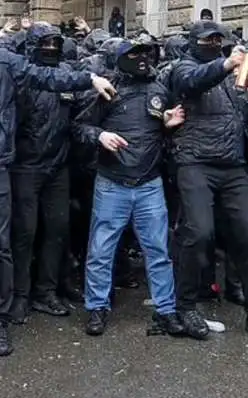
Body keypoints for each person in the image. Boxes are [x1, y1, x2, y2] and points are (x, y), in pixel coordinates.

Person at [0, 24, 116, 357]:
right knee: (23, 234)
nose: (51, 47)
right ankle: (20, 297)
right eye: (45, 43)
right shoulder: (21, 73)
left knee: (57, 230)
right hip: (24, 167)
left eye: (55, 42)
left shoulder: (64, 73)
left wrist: (95, 87)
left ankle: (45, 292)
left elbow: (80, 109)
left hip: (57, 167)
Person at [168, 20, 248, 341]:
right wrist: (225, 64)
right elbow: (194, 82)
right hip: (195, 162)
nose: (214, 44)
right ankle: (186, 307)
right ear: (194, 42)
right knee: (199, 233)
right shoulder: (183, 68)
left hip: (232, 165)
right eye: (208, 40)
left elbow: (239, 114)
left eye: (219, 40)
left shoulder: (232, 77)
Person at [73, 40, 186, 336]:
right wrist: (100, 135)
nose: (141, 58)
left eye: (145, 53)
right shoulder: (107, 90)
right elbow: (78, 127)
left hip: (149, 184)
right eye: (133, 54)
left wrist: (168, 124)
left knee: (158, 250)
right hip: (112, 183)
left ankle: (165, 311)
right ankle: (97, 308)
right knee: (101, 250)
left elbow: (162, 127)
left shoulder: (160, 90)